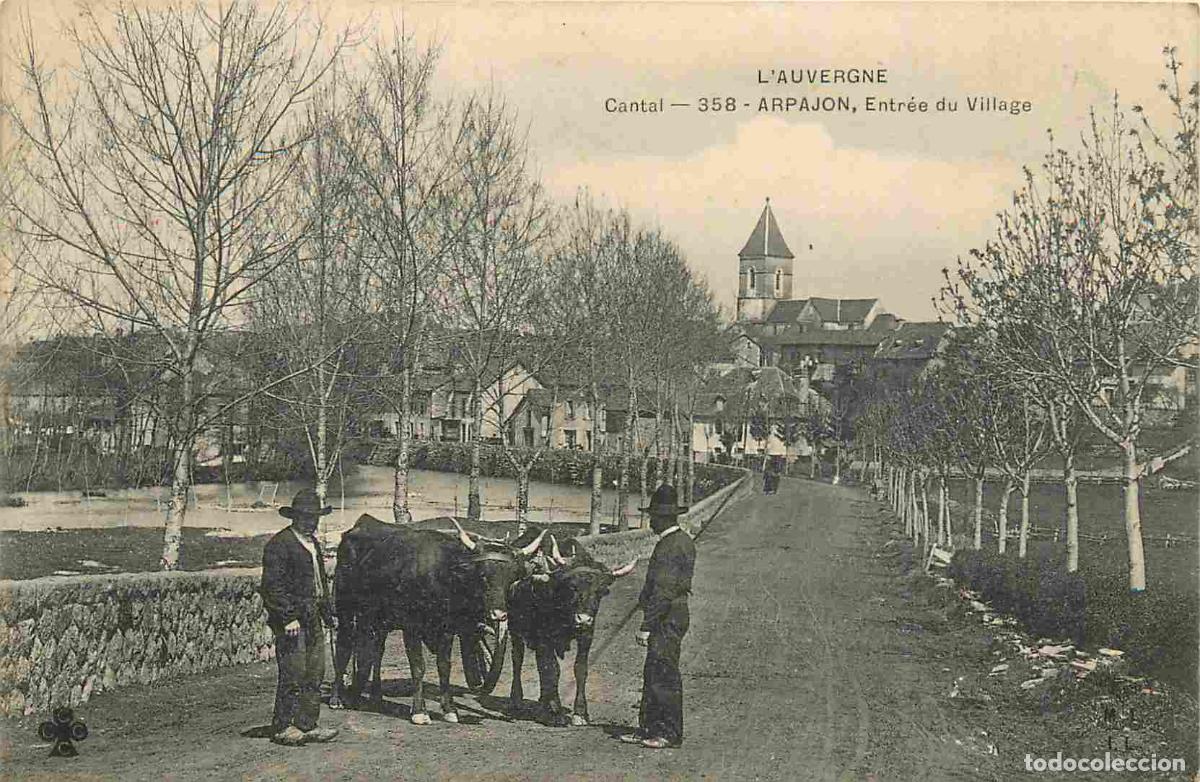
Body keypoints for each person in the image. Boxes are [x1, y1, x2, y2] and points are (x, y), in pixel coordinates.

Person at [260, 488, 339, 746]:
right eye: (307, 517)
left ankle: (307, 723)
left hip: (313, 615)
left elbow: (320, 584)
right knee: (293, 672)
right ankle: (284, 725)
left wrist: (329, 613)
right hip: (293, 620)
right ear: (295, 517)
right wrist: (287, 617)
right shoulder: (279, 545)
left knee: (315, 672)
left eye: (315, 517)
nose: (312, 521)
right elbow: (273, 586)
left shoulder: (313, 543)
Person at [620, 484, 695, 750]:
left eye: (653, 516)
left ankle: (668, 733)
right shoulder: (677, 541)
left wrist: (646, 625)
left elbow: (664, 591)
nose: (650, 520)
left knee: (663, 674)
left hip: (668, 617)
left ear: (663, 518)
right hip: (668, 613)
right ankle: (649, 728)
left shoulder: (672, 546)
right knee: (652, 671)